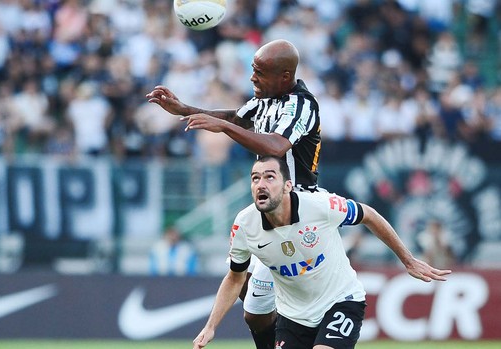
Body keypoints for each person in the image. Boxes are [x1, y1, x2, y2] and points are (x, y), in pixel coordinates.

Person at [147, 39, 320, 348]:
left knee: (266, 309)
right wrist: (183, 110)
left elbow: (276, 146)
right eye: (253, 70)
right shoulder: (267, 99)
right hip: (269, 211)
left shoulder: (301, 104)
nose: (252, 78)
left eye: (259, 72)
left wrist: (222, 129)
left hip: (297, 213)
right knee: (250, 304)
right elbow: (238, 118)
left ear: (284, 76)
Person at [193, 156, 451, 349]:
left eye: (270, 177)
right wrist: (211, 326)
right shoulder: (244, 224)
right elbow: (235, 277)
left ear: (287, 186)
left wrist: (407, 260)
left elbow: (368, 214)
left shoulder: (320, 206)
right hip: (293, 316)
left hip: (341, 301)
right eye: (255, 178)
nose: (261, 183)